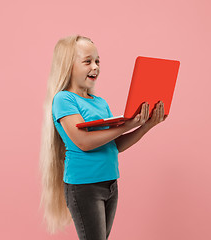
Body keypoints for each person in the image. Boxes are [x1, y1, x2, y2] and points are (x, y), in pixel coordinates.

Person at [39, 34, 167, 240]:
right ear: (68, 65)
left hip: (110, 183)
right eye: (87, 61)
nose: (95, 67)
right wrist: (126, 124)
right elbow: (84, 143)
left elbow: (113, 145)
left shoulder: (99, 102)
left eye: (98, 61)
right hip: (84, 186)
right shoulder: (63, 99)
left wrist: (146, 126)